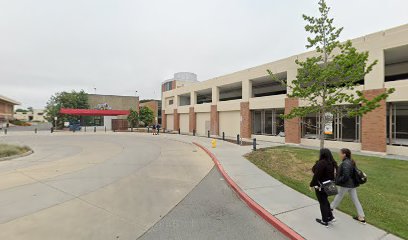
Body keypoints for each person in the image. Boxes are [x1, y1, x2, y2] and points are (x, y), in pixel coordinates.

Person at [331, 148, 366, 224]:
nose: (339, 154)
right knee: (355, 200)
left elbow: (346, 176)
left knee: (339, 196)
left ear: (344, 154)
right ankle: (361, 217)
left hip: (346, 184)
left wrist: (338, 181)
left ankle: (330, 208)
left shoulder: (345, 163)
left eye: (340, 153)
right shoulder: (350, 161)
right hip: (352, 184)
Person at [310, 148, 338, 226]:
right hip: (329, 185)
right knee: (325, 201)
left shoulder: (322, 163)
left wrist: (311, 184)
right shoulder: (333, 163)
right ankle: (330, 217)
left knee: (322, 203)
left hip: (321, 186)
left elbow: (316, 175)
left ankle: (325, 220)